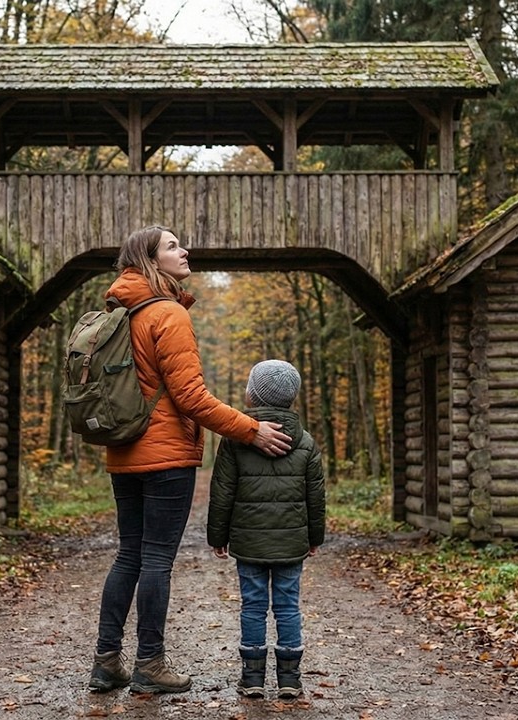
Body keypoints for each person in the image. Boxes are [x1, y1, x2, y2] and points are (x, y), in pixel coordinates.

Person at [88, 225, 294, 695]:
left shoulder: (119, 312)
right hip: (164, 455)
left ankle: (106, 660)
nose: (185, 251)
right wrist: (251, 429)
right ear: (149, 260)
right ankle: (150, 663)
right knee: (157, 558)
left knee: (129, 556)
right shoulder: (167, 314)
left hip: (124, 449)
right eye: (172, 246)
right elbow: (191, 398)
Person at [207, 359, 326, 700]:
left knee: (253, 605)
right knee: (288, 606)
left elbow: (222, 492)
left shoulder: (235, 441)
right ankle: (289, 678)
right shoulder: (305, 443)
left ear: (252, 396)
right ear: (292, 400)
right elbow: (316, 495)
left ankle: (253, 677)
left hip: (248, 540)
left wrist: (218, 536)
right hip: (291, 543)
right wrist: (314, 537)